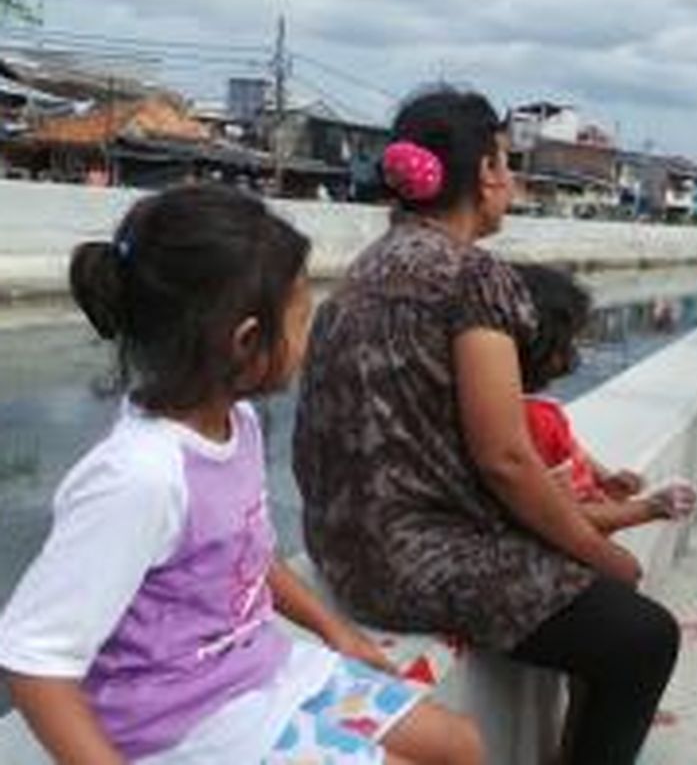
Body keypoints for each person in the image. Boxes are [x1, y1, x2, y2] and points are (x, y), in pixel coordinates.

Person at [0, 185, 482, 765]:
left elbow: (245, 553)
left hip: (260, 671)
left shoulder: (238, 425)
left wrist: (335, 631)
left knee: (462, 744)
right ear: (246, 342)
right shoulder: (138, 476)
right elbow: (33, 660)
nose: (309, 338)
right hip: (183, 725)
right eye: (302, 319)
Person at [292, 87, 680, 765]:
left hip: (341, 548)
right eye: (506, 161)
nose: (513, 180)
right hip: (417, 561)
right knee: (644, 638)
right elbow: (505, 457)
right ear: (484, 175)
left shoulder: (359, 275)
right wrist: (602, 553)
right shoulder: (474, 278)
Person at [513, 263, 697, 532]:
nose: (576, 352)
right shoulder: (539, 420)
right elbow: (565, 518)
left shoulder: (503, 410)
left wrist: (605, 479)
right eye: (571, 341)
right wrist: (650, 509)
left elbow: (570, 449)